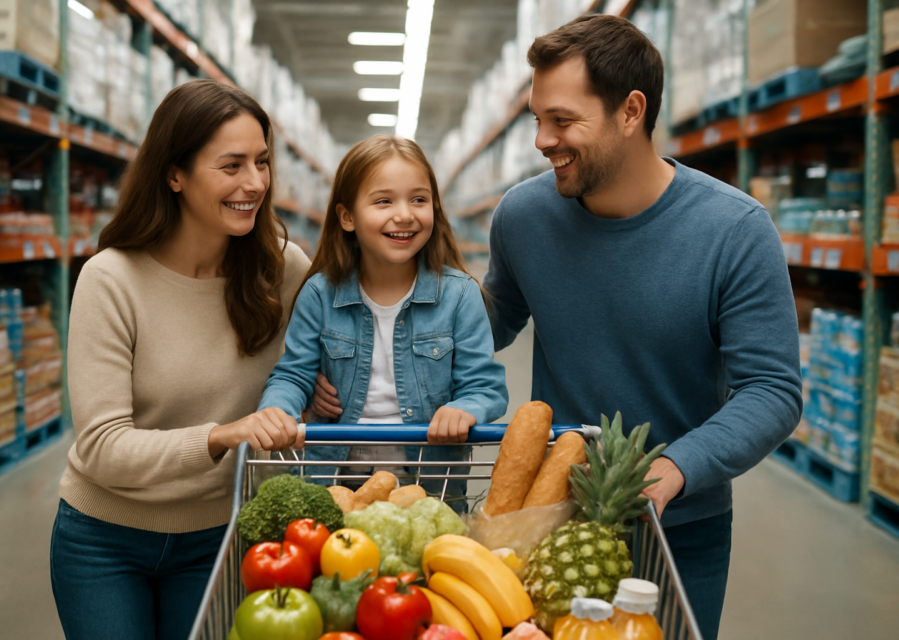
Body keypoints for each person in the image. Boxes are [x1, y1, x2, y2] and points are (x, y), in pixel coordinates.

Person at [314, 15, 802, 640]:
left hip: (680, 525)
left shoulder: (734, 231)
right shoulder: (524, 215)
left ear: (631, 111)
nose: (543, 140)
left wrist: (677, 468)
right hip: (554, 513)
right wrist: (365, 335)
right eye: (537, 119)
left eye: (563, 121)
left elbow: (772, 390)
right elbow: (489, 320)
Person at [50, 79, 309, 640]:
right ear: (174, 174)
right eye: (232, 165)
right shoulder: (111, 279)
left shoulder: (283, 271)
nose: (255, 183)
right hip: (104, 540)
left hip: (219, 537)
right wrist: (221, 435)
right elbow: (101, 447)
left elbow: (311, 369)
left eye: (262, 162)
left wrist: (319, 388)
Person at [255, 134, 508, 506]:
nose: (404, 214)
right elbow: (293, 375)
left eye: (419, 200)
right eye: (384, 201)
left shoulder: (460, 295)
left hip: (427, 487)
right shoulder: (319, 295)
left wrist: (465, 409)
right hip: (333, 483)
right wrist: (278, 409)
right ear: (347, 217)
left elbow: (485, 385)